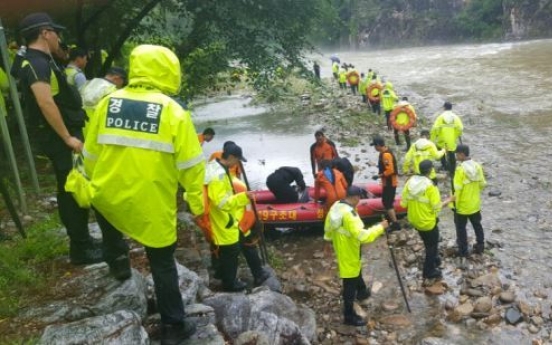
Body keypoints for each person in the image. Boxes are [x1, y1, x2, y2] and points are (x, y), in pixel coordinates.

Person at [83, 44, 204, 343]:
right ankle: (174, 326)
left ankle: (120, 267)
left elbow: (90, 154)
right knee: (162, 262)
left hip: (110, 193)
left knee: (112, 227)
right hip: (151, 200)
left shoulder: (107, 104)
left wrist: (90, 182)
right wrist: (196, 200)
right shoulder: (174, 112)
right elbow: (190, 164)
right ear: (168, 71)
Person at [18, 13, 101, 265]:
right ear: (45, 33)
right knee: (71, 190)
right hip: (60, 138)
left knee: (73, 187)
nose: (59, 37)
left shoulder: (41, 60)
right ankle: (81, 249)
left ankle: (83, 240)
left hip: (64, 133)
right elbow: (44, 102)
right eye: (56, 32)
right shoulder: (36, 63)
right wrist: (67, 137)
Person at [204, 143, 268, 292]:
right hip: (224, 219)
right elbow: (221, 202)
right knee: (231, 251)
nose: (237, 164)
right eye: (238, 160)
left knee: (236, 247)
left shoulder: (216, 167)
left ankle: (228, 276)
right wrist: (243, 197)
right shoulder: (219, 175)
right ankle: (230, 283)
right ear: (231, 157)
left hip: (225, 218)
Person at [324, 185, 388, 326]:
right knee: (349, 282)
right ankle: (348, 315)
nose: (360, 201)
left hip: (341, 246)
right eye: (359, 198)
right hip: (349, 250)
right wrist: (380, 227)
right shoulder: (350, 215)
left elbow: (328, 226)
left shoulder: (336, 206)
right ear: (355, 198)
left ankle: (363, 292)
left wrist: (328, 241)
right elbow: (363, 236)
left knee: (356, 269)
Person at [400, 160, 452, 286]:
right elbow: (437, 207)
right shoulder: (430, 186)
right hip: (427, 222)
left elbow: (403, 204)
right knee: (432, 246)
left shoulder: (409, 182)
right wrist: (450, 199)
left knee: (427, 241)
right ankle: (428, 271)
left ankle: (435, 260)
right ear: (430, 170)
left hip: (414, 219)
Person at [452, 144, 487, 257]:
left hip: (462, 206)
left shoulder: (460, 170)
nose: (456, 156)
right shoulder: (477, 166)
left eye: (457, 154)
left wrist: (454, 205)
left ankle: (463, 251)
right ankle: (480, 246)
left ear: (462, 155)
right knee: (477, 225)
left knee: (461, 229)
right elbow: (482, 184)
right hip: (475, 204)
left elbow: (458, 189)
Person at [80, 66, 127, 137]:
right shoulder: (112, 90)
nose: (121, 86)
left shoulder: (88, 83)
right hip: (97, 129)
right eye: (123, 82)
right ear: (117, 78)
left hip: (81, 126)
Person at [370, 136, 400, 231]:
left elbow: (390, 170)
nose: (374, 148)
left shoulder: (386, 155)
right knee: (386, 201)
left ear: (378, 145)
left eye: (375, 145)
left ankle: (395, 224)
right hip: (387, 182)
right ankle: (391, 220)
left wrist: (380, 175)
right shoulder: (384, 153)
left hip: (390, 182)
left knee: (387, 203)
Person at [430, 101, 463, 177]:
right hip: (451, 140)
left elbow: (435, 128)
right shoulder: (455, 117)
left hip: (442, 140)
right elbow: (461, 128)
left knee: (442, 152)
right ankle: (452, 171)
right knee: (452, 155)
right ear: (451, 108)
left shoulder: (440, 117)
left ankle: (444, 166)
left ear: (444, 107)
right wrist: (456, 135)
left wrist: (433, 139)